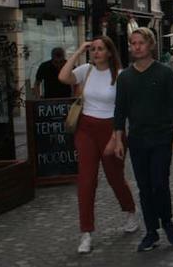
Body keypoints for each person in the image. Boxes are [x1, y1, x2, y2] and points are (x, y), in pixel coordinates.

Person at [58, 37, 140, 255]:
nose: (95, 53)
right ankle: (86, 232)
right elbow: (63, 77)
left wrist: (117, 136)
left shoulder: (121, 76)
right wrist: (78, 51)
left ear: (110, 53)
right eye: (92, 49)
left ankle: (130, 211)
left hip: (112, 129)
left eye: (100, 49)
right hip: (85, 128)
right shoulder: (86, 70)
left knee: (115, 177)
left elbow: (126, 109)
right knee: (86, 179)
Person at [113, 27, 173, 252]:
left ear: (150, 45)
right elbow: (119, 111)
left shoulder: (164, 73)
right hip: (137, 140)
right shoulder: (125, 77)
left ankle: (167, 221)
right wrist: (117, 139)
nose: (136, 47)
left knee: (159, 184)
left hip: (161, 137)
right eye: (133, 43)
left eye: (140, 43)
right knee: (144, 187)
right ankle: (151, 231)